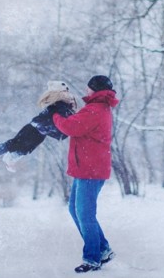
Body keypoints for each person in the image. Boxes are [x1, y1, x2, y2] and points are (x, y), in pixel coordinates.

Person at [52, 75, 120, 273]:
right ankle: (103, 249)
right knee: (76, 210)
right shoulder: (98, 108)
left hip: (90, 170)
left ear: (95, 90)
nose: (86, 90)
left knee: (85, 214)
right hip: (86, 169)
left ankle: (92, 258)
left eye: (88, 87)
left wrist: (55, 115)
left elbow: (70, 126)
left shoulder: (95, 109)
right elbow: (76, 123)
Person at [0, 80, 78, 171]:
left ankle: (10, 158)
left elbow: (61, 121)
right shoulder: (58, 105)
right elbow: (61, 117)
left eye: (67, 91)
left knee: (27, 149)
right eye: (64, 92)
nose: (67, 94)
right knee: (16, 143)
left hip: (40, 133)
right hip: (33, 128)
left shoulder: (62, 105)